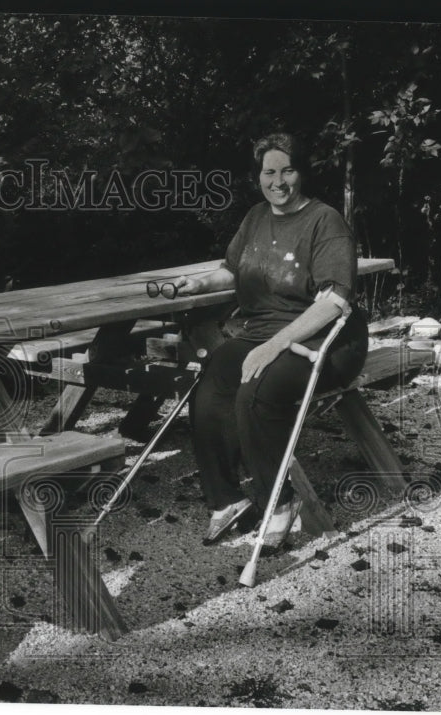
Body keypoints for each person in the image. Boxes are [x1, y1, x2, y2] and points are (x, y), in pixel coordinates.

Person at [172, 132, 368, 548]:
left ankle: (280, 502)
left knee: (254, 392)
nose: (278, 181)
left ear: (302, 173)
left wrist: (274, 344)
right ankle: (226, 501)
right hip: (264, 332)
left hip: (326, 342)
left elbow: (335, 302)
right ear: (258, 176)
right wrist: (196, 283)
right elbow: (231, 270)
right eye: (269, 172)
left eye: (287, 170)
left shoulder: (324, 220)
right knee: (210, 385)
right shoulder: (256, 217)